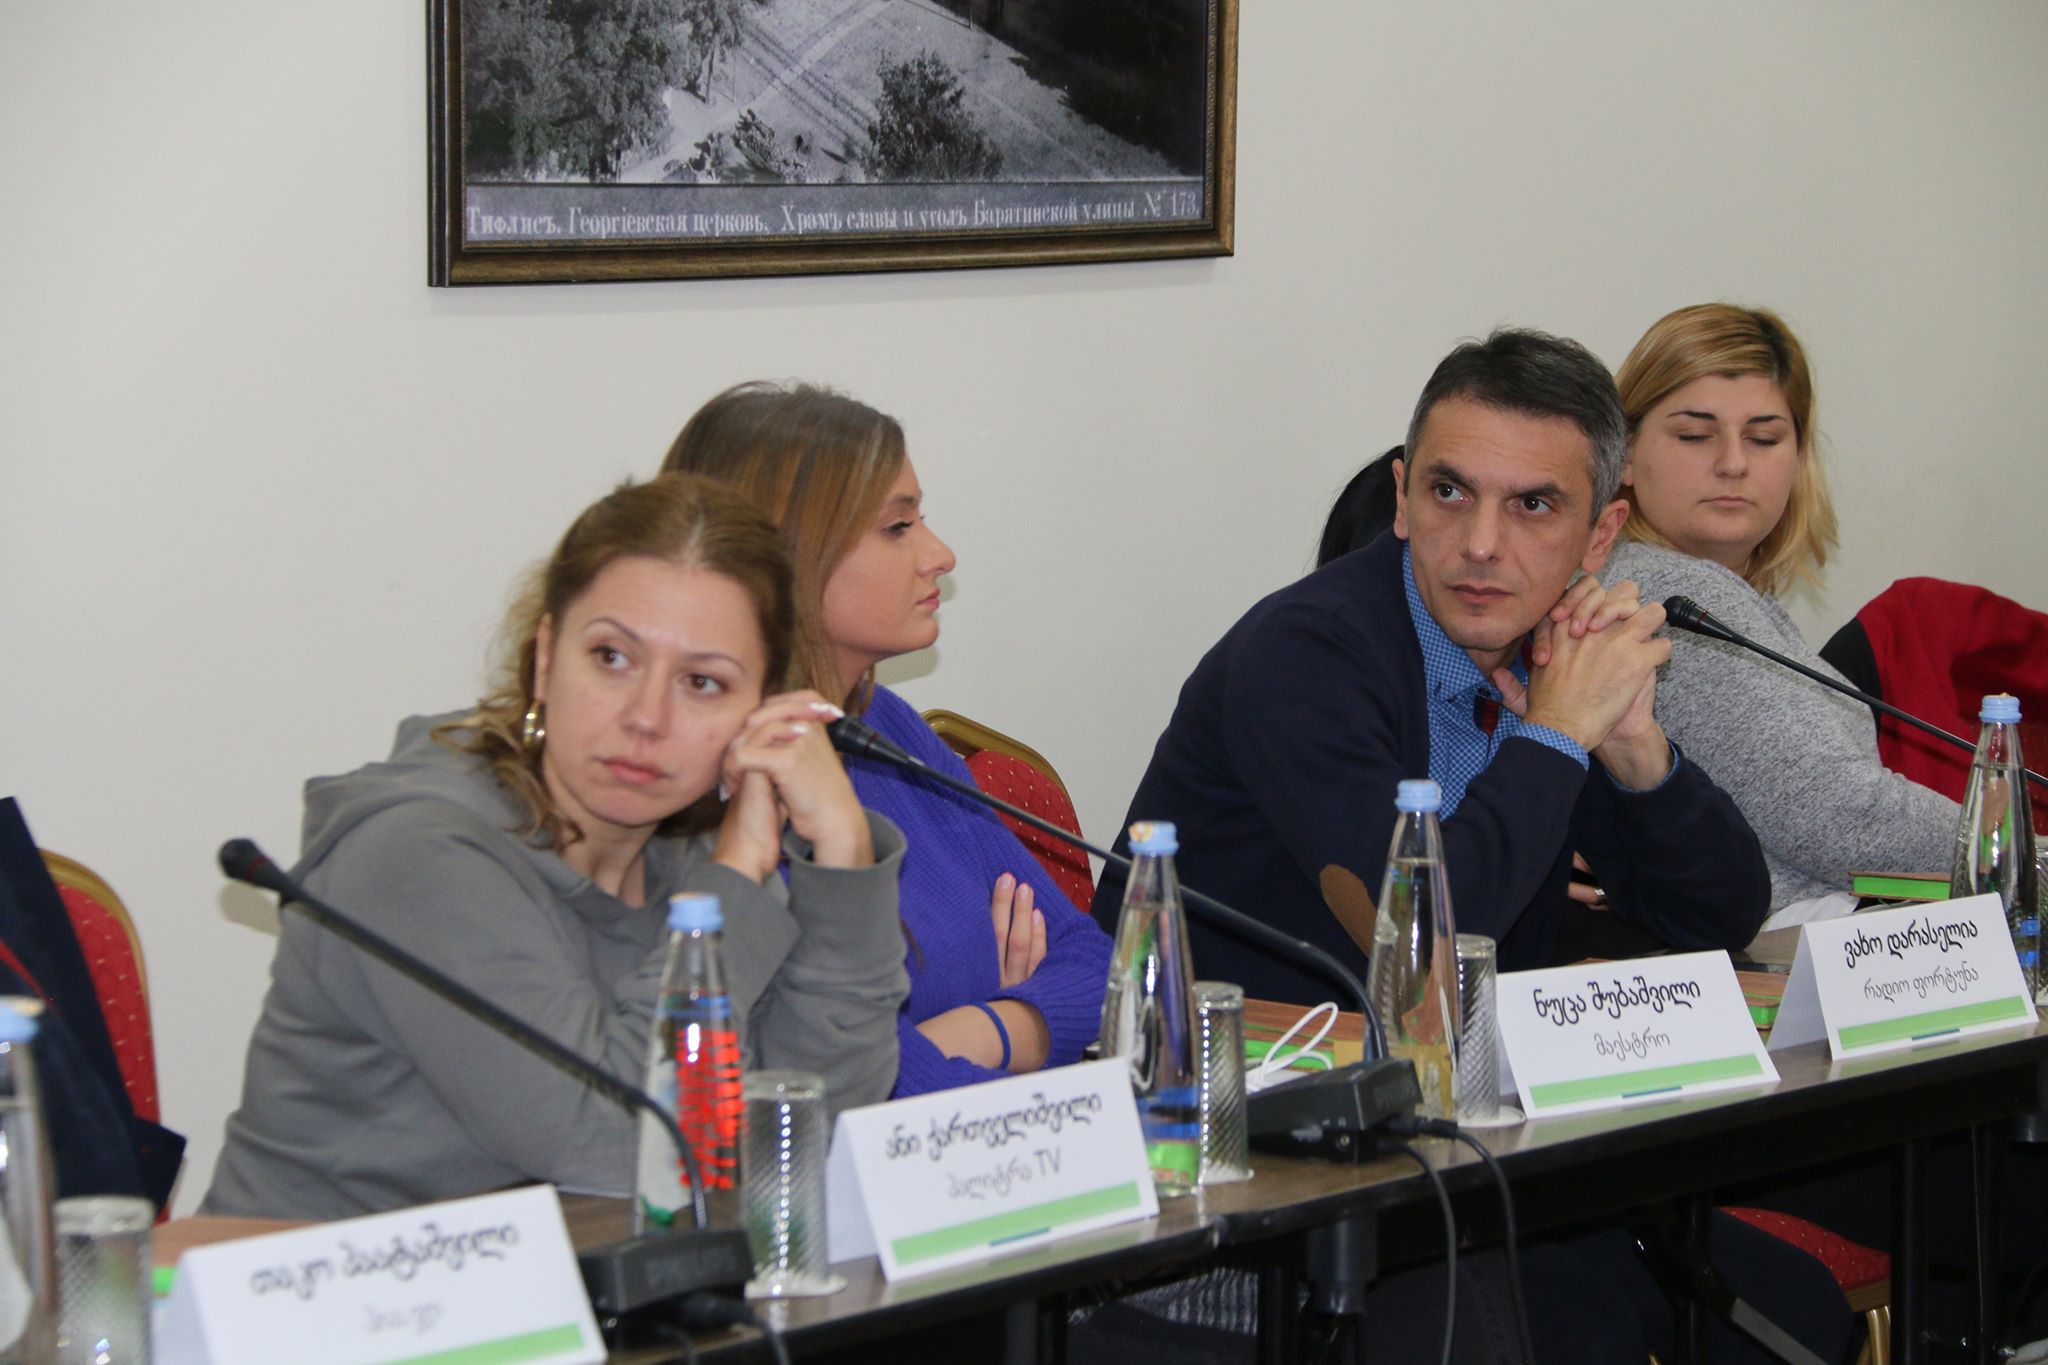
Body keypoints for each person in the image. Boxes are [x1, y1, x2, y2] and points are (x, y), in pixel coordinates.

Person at [205, 475, 909, 1220]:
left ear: (760, 709)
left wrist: (842, 852)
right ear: (545, 660)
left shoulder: (693, 849)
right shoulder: (419, 851)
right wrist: (731, 884)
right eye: (612, 658)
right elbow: (620, 1146)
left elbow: (808, 1128)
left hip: (589, 1280)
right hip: (326, 1283)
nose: (646, 717)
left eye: (703, 682)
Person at [1096, 328, 1770, 1001]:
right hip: (1230, 1057)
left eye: (1532, 505)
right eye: (1450, 492)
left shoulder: (1552, 649)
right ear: (1402, 498)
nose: (1481, 545)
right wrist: (1558, 732)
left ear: (1601, 535)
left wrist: (1633, 748)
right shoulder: (1302, 654)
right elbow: (1422, 944)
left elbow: (1721, 916)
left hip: (1448, 1057)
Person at [663, 382, 1112, 1097]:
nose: (941, 555)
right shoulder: (717, 783)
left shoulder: (886, 729)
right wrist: (1013, 1027)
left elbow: (1094, 966)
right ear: (784, 554)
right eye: (898, 527)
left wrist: (983, 1028)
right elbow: (835, 1075)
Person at [1606, 302, 1958, 916]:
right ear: (1626, 454)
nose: (1733, 463)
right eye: (1695, 435)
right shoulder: (1664, 594)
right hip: (1780, 955)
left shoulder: (1721, 593)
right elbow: (1841, 818)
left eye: (1764, 438)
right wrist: (2018, 851)